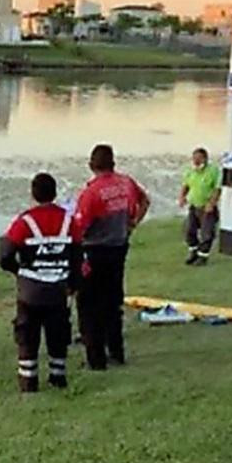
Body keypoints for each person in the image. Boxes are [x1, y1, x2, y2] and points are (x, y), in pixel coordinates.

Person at [72, 144, 150, 370]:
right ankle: (116, 352)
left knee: (89, 304)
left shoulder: (91, 193)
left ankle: (95, 358)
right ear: (113, 163)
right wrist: (133, 223)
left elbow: (80, 227)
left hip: (95, 250)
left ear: (91, 165)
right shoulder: (126, 183)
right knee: (113, 301)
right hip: (119, 247)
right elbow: (145, 200)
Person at [0, 173, 78, 392]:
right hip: (58, 290)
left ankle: (28, 381)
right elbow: (77, 255)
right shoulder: (69, 221)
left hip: (30, 292)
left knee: (27, 335)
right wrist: (72, 283)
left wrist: (20, 271)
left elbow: (4, 255)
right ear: (54, 193)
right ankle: (58, 376)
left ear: (33, 194)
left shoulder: (25, 222)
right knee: (58, 334)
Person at [178, 147, 221, 266]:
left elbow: (217, 189)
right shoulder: (190, 171)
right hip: (194, 205)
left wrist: (211, 203)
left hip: (206, 207)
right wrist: (182, 197)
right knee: (189, 230)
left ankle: (203, 256)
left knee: (207, 233)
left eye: (199, 159)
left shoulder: (213, 171)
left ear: (205, 159)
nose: (196, 162)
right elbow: (185, 185)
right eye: (194, 159)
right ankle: (193, 252)